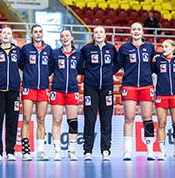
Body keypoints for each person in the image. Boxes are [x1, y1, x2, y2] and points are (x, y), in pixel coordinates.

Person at [117, 22, 157, 161]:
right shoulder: (124, 48)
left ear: (142, 31)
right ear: (130, 32)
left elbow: (154, 66)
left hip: (146, 85)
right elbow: (117, 65)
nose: (136, 31)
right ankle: (127, 151)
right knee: (129, 118)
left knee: (147, 117)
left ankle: (150, 151)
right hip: (129, 86)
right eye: (134, 29)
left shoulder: (150, 47)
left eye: (138, 29)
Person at [79, 26, 119, 161]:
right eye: (96, 32)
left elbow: (118, 63)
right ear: (93, 35)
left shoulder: (111, 49)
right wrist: (90, 75)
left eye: (101, 32)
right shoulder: (86, 49)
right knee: (90, 119)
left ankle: (106, 150)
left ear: (105, 34)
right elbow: (79, 66)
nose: (98, 34)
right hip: (91, 88)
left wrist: (108, 74)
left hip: (107, 88)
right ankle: (87, 151)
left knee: (106, 119)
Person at [0, 27, 22, 161]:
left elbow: (23, 66)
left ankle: (11, 151)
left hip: (13, 91)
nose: (6, 35)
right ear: (0, 36)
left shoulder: (17, 51)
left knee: (12, 122)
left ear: (12, 36)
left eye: (9, 33)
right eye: (4, 33)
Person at [18, 24, 52, 161]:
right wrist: (30, 75)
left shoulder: (48, 49)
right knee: (26, 118)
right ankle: (26, 151)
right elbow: (21, 64)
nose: (38, 34)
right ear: (31, 34)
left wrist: (43, 76)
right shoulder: (25, 49)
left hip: (43, 88)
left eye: (40, 32)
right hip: (29, 87)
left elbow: (50, 67)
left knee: (41, 119)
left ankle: (41, 151)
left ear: (42, 34)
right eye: (35, 32)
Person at [49, 29, 83, 161]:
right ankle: (57, 150)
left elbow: (80, 70)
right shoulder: (55, 53)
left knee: (73, 122)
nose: (65, 38)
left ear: (72, 37)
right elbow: (50, 70)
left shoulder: (78, 54)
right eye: (62, 36)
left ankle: (72, 151)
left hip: (72, 90)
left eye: (67, 35)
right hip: (57, 90)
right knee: (57, 120)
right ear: (60, 39)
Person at [152, 40, 175, 161]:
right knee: (162, 123)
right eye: (162, 46)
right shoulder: (158, 60)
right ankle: (162, 152)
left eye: (166, 46)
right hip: (161, 95)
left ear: (172, 48)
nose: (163, 48)